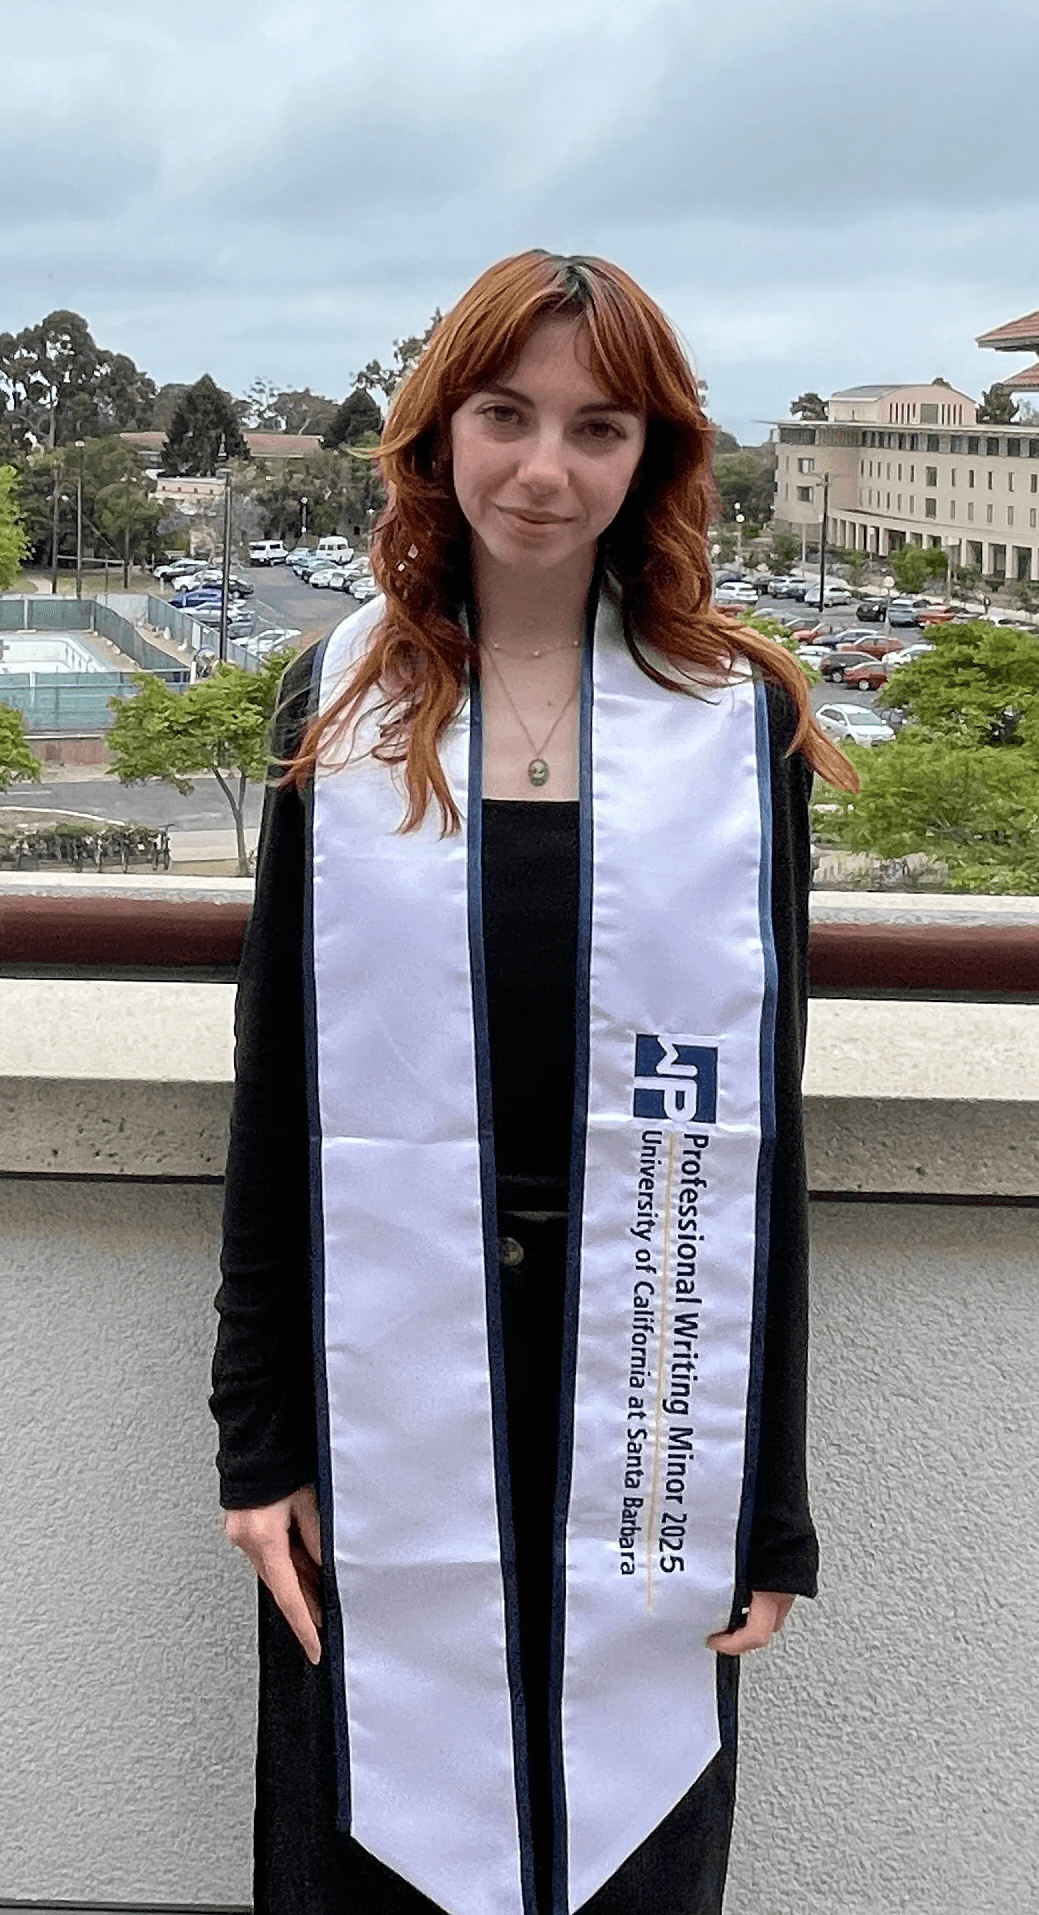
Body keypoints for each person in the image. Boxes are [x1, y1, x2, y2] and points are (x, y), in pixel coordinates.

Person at [211, 250, 856, 1915]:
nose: (544, 470)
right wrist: (256, 1440)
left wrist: (767, 1504)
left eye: (597, 427)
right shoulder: (341, 701)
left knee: (626, 1847)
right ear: (438, 431)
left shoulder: (737, 728)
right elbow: (277, 1098)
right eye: (505, 415)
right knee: (369, 1842)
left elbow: (755, 1134)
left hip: (653, 1379)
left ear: (654, 455)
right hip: (378, 1367)